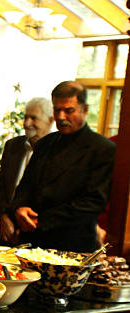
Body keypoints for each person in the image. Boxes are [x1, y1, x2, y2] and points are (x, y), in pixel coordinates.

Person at [13, 81, 116, 252]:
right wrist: (19, 207)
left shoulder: (103, 149)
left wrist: (41, 220)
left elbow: (92, 203)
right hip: (31, 242)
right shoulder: (45, 143)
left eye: (69, 111)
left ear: (85, 109)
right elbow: (25, 186)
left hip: (72, 245)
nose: (61, 117)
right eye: (57, 110)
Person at [0, 98, 54, 245]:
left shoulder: (57, 151)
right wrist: (3, 217)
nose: (27, 123)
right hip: (7, 231)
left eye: (34, 118)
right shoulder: (12, 146)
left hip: (38, 233)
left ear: (50, 121)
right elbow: (0, 186)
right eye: (25, 117)